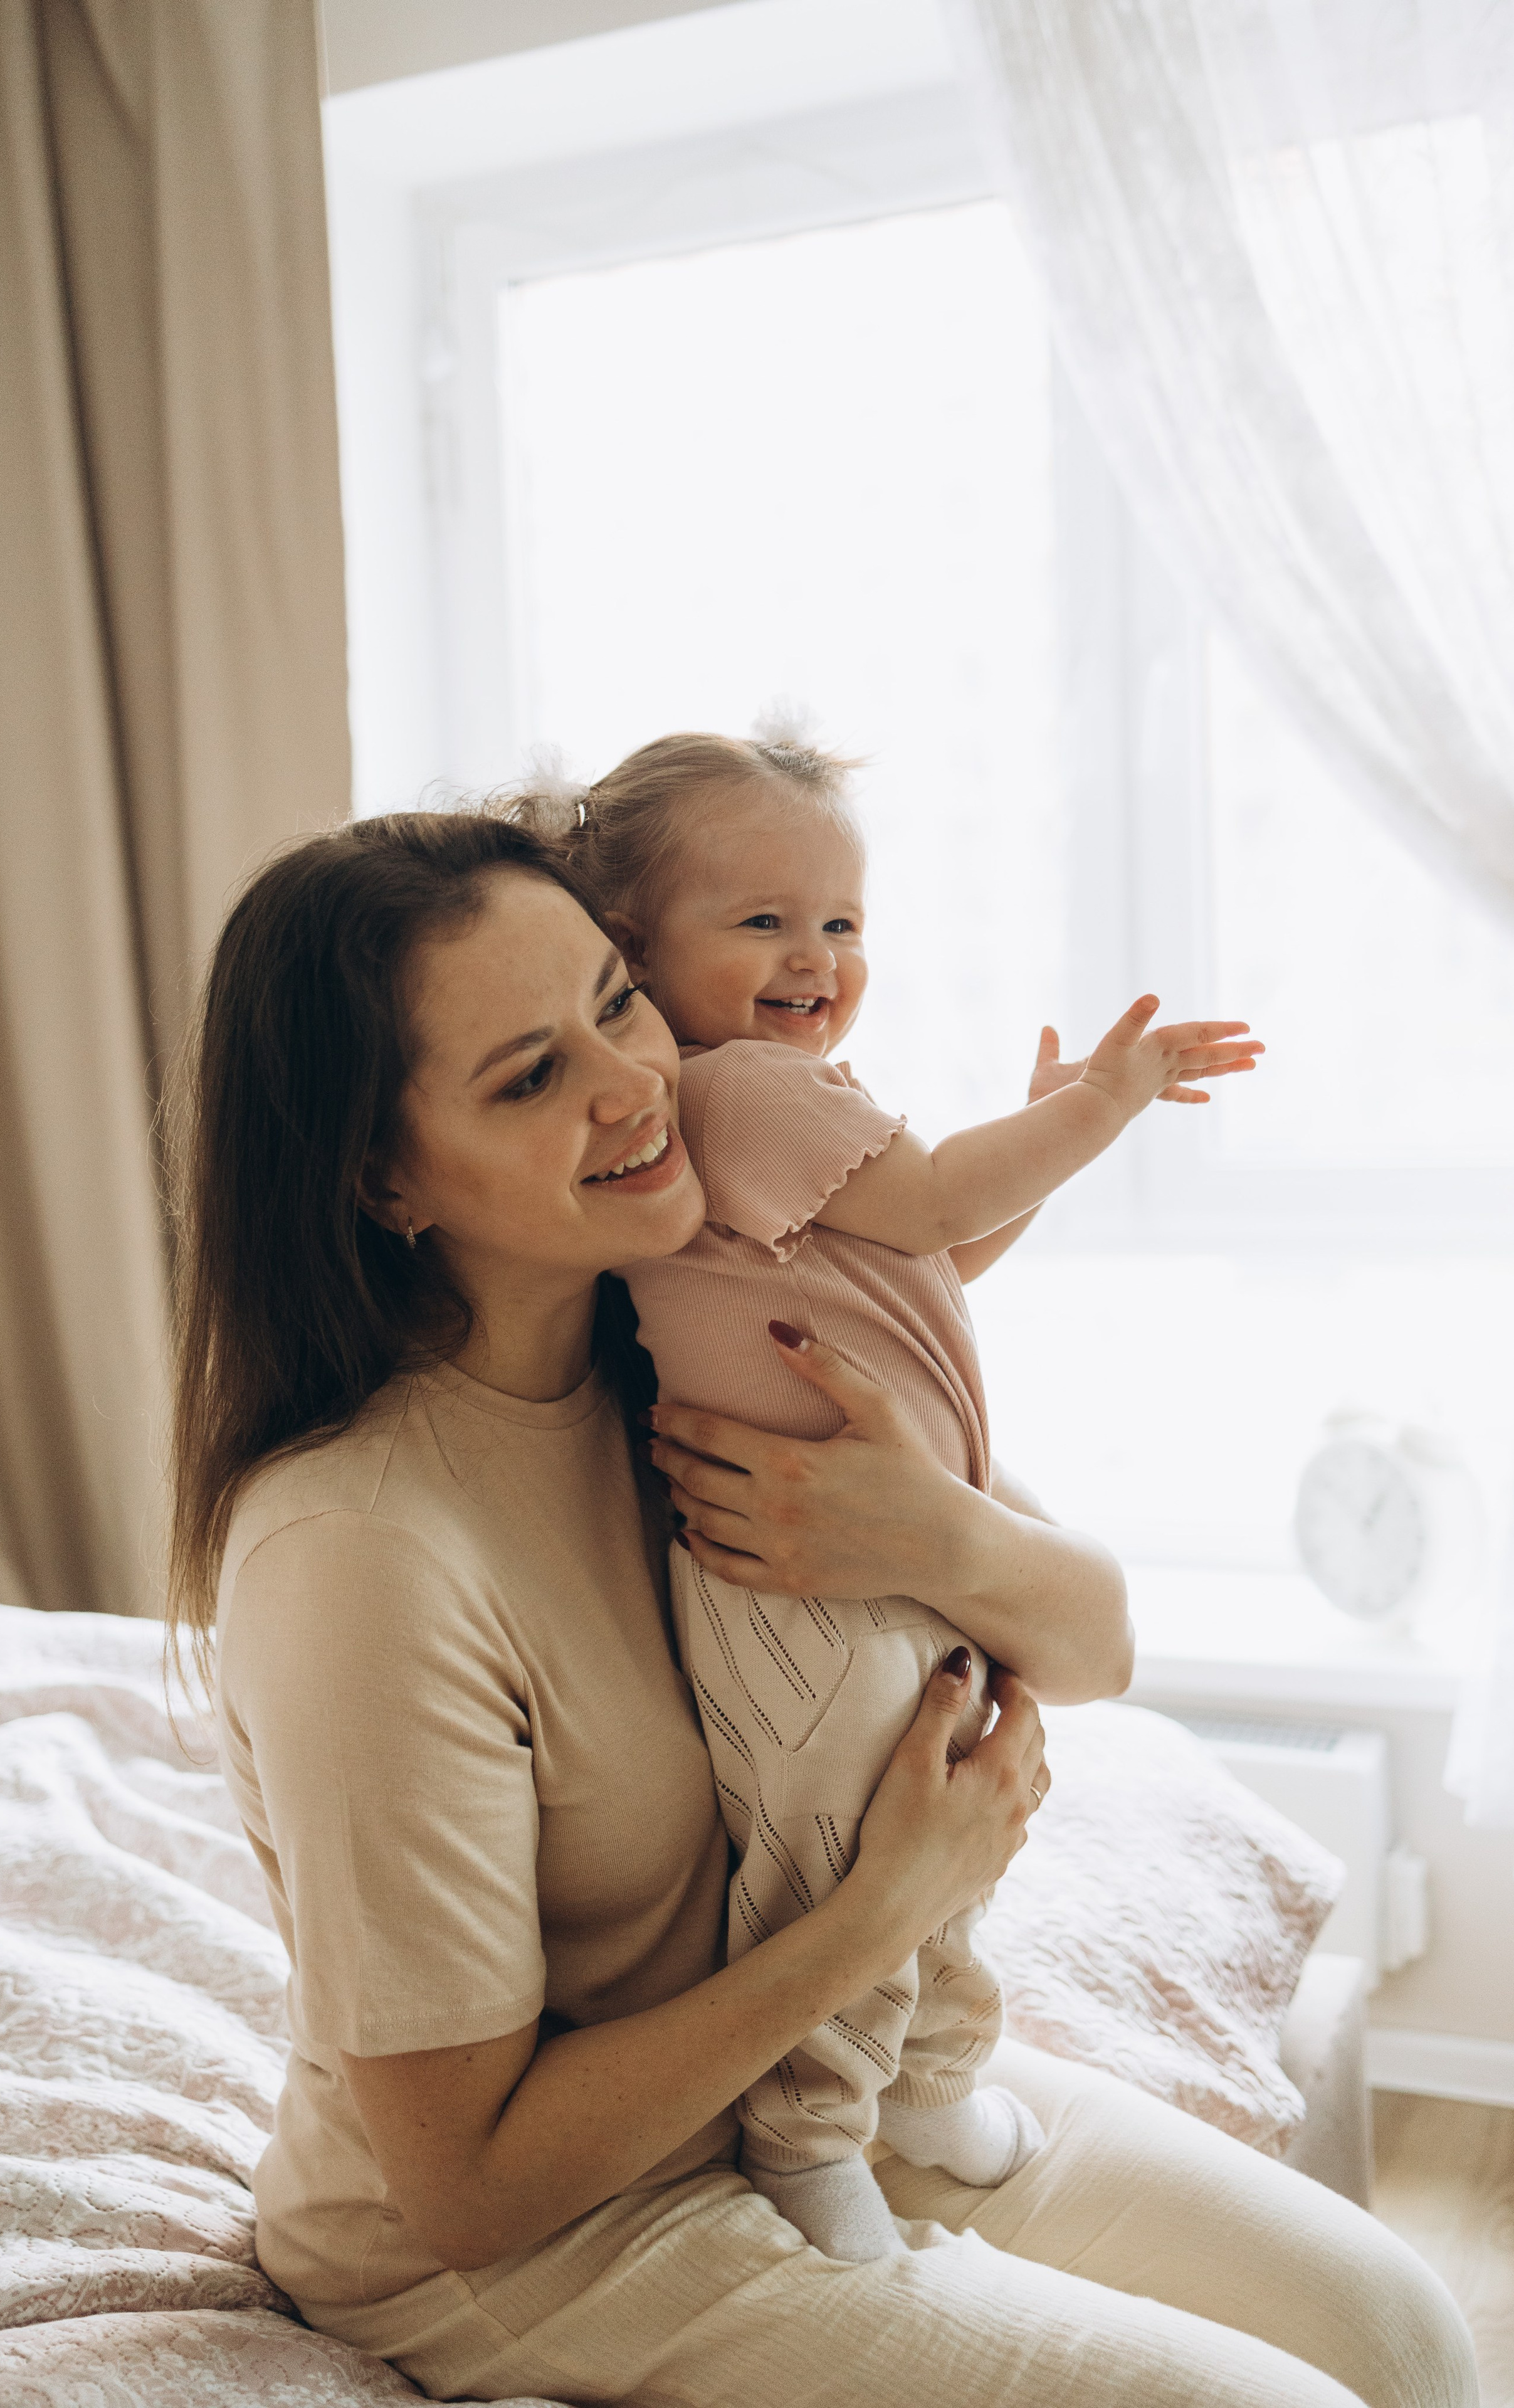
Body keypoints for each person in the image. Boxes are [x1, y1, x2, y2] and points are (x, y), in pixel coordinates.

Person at [166, 806, 1476, 2408]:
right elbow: (468, 2185)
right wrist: (886, 1906)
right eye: (528, 1076)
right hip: (534, 2244)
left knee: (1398, 2331)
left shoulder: (692, 1326)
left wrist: (926, 1529)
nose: (631, 1083)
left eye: (616, 1001)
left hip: (804, 2102)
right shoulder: (358, 1553)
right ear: (381, 1175)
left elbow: (1093, 1647)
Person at [519, 727, 1260, 2261]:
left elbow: (925, 1249)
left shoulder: (784, 1100)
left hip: (871, 1534)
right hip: (788, 1573)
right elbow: (935, 1201)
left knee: (951, 1819)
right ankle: (806, 2134)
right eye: (763, 922)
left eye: (841, 922)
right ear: (635, 951)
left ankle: (927, 2077)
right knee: (839, 1851)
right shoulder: (730, 1092)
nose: (816, 955)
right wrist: (1096, 1111)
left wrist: (1031, 1161)